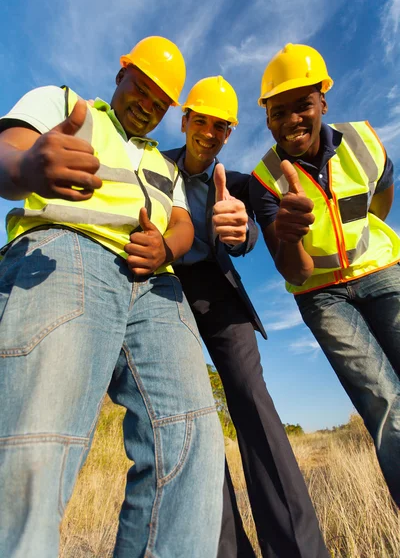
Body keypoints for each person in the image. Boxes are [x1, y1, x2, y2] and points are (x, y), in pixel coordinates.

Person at [0, 36, 225, 558]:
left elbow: (184, 224)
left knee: (192, 444)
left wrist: (166, 245)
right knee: (39, 439)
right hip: (64, 255)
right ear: (121, 73)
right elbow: (7, 150)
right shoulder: (63, 103)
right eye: (140, 87)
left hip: (157, 291)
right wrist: (28, 167)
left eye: (159, 101)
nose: (146, 104)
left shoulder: (164, 165)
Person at [159, 76, 329, 558]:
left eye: (222, 126)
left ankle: (298, 550)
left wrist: (239, 233)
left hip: (219, 297)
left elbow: (250, 231)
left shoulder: (234, 184)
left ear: (230, 134)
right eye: (203, 121)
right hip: (162, 296)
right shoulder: (151, 166)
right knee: (193, 423)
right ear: (186, 120)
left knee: (255, 407)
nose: (210, 133)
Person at [250, 43, 400, 508]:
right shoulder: (264, 179)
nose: (294, 120)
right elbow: (292, 268)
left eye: (303, 105)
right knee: (383, 399)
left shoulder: (364, 142)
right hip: (320, 294)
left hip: (380, 269)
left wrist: (362, 242)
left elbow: (382, 197)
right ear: (268, 119)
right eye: (280, 112)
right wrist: (290, 234)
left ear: (323, 102)